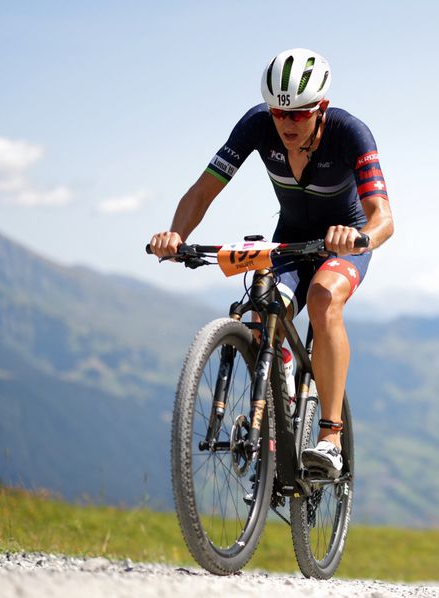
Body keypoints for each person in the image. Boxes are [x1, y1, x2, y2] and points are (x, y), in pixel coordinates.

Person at [148, 48, 394, 477]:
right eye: (279, 113)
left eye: (299, 114)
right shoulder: (256, 126)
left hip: (343, 241)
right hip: (291, 242)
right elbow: (203, 190)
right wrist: (176, 236)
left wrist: (359, 239)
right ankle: (278, 397)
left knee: (321, 298)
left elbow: (383, 219)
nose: (286, 124)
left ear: (322, 109)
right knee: (264, 307)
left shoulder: (351, 133)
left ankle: (330, 438)